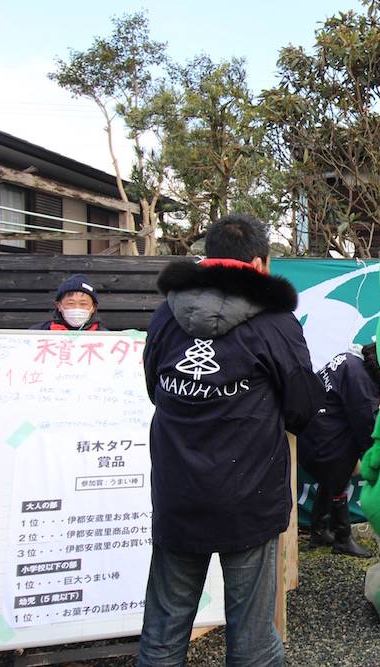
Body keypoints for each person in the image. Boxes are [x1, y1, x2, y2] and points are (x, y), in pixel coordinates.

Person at [139, 213, 323, 666]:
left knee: (163, 632)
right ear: (259, 263)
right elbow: (302, 406)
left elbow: (154, 388)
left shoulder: (167, 314)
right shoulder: (275, 322)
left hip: (178, 493)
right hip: (249, 498)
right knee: (253, 639)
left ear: (209, 256)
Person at [298, 343, 380, 558]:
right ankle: (342, 537)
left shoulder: (349, 360)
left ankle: (319, 530)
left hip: (308, 431)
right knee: (340, 469)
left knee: (332, 475)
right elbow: (369, 427)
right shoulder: (360, 380)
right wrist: (379, 457)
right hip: (322, 439)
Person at [30, 273, 106, 331]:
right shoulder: (38, 332)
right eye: (71, 303)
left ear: (93, 307)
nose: (77, 308)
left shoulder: (106, 337)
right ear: (59, 305)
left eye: (83, 304)